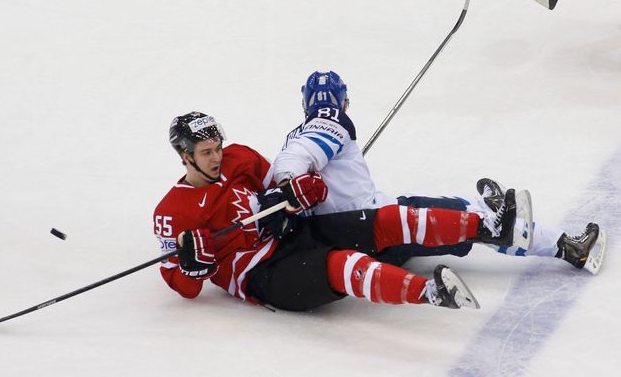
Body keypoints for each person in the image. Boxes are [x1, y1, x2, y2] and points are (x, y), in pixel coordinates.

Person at [152, 111, 530, 312]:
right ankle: (431, 293)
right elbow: (183, 287)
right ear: (185, 157)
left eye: (217, 146)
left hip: (292, 234)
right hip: (261, 274)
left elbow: (278, 193)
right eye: (206, 152)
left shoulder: (240, 157)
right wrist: (191, 266)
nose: (217, 156)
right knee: (342, 263)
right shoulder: (172, 211)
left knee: (385, 219)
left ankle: (488, 227)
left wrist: (301, 191)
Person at [269, 71, 606, 274]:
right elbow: (299, 158)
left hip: (365, 227)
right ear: (344, 101)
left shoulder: (293, 136)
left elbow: (294, 165)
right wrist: (288, 181)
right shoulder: (331, 119)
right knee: (484, 228)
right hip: (379, 228)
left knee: (455, 206)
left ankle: (483, 205)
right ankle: (570, 249)